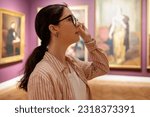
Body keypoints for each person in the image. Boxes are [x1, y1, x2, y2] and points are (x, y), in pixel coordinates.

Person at [19, 4, 109, 100]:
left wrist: (88, 39)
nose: (78, 24)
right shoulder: (41, 76)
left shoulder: (72, 63)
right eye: (70, 19)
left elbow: (102, 67)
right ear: (53, 29)